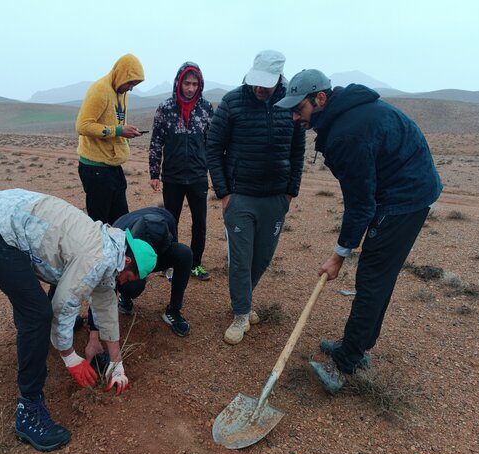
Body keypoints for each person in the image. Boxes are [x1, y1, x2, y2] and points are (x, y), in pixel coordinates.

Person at [276, 69, 443, 393]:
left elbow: (361, 204)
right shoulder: (347, 114)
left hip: (404, 199)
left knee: (372, 279)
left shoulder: (346, 134)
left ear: (321, 98)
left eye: (300, 109)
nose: (296, 117)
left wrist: (339, 255)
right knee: (377, 277)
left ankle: (344, 363)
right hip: (408, 190)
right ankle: (360, 345)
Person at [0, 188, 156, 451]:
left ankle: (31, 348)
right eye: (131, 277)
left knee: (32, 310)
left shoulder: (109, 251)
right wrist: (70, 357)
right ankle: (28, 412)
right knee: (38, 315)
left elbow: (106, 304)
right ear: (127, 260)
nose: (127, 284)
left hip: (9, 222)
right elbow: (65, 304)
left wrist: (116, 362)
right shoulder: (99, 257)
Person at [206, 50, 306, 345]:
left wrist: (290, 192)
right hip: (241, 197)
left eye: (267, 83)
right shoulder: (233, 102)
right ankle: (240, 313)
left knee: (261, 257)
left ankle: (244, 300)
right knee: (240, 258)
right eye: (257, 82)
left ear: (279, 79)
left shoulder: (291, 104)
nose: (260, 89)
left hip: (275, 198)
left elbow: (297, 151)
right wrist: (225, 193)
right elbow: (213, 147)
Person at [81, 207, 194, 359]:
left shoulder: (166, 224)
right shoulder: (117, 239)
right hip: (130, 252)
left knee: (184, 254)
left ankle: (173, 311)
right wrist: (94, 332)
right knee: (132, 286)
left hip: (155, 249)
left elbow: (173, 247)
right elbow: (102, 284)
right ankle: (126, 298)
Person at [148, 62, 214, 281]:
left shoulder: (206, 108)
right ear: (179, 82)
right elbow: (156, 142)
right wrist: (154, 173)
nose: (191, 88)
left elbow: (211, 143)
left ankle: (195, 263)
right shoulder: (165, 108)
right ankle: (169, 262)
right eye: (187, 83)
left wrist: (214, 174)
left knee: (200, 222)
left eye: (195, 84)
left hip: (197, 176)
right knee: (170, 221)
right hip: (173, 176)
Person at [75, 53, 145, 224]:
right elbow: (82, 126)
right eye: (130, 83)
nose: (131, 88)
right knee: (100, 223)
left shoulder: (122, 92)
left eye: (134, 84)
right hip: (95, 168)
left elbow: (116, 120)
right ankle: (98, 252)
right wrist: (119, 131)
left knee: (121, 221)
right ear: (121, 75)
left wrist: (126, 132)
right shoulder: (100, 90)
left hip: (113, 166)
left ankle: (119, 251)